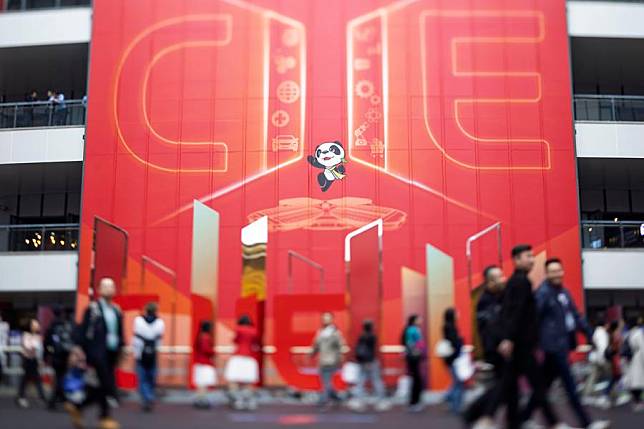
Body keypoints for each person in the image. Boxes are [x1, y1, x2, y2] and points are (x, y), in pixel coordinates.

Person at [522, 258, 609, 429]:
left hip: (561, 345)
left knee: (542, 386)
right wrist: (533, 342)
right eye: (552, 271)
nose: (556, 274)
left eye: (558, 270)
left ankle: (523, 418)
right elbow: (534, 319)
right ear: (547, 274)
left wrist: (590, 335)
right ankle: (587, 423)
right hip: (553, 346)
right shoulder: (543, 293)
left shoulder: (564, 292)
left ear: (562, 271)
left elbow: (576, 316)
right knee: (570, 386)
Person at [496, 244, 561, 429]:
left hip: (519, 344)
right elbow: (514, 312)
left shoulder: (517, 281)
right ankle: (553, 423)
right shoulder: (521, 282)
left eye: (533, 256)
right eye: (528, 256)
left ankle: (514, 422)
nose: (532, 259)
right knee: (538, 385)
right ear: (516, 260)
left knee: (510, 386)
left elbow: (509, 312)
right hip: (521, 344)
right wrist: (508, 337)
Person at [67, 277, 124, 429]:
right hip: (96, 353)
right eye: (104, 286)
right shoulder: (92, 309)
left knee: (98, 388)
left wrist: (121, 350)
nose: (108, 289)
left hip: (111, 353)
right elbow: (82, 330)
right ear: (99, 290)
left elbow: (120, 333)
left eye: (111, 286)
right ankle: (105, 417)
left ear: (114, 290)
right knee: (107, 384)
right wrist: (77, 350)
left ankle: (77, 407)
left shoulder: (117, 310)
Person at [463, 265, 506, 427]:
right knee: (503, 385)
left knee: (503, 386)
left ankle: (475, 413)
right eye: (499, 277)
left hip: (501, 348)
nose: (503, 279)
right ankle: (476, 414)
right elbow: (491, 327)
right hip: (495, 350)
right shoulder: (484, 301)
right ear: (489, 282)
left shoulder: (499, 297)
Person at [350, 319, 389, 411]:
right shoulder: (372, 337)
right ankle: (381, 400)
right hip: (371, 361)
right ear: (371, 327)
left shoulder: (361, 336)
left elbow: (359, 350)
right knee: (376, 381)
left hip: (362, 362)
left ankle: (359, 401)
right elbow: (371, 351)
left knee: (360, 381)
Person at [132, 302, 164, 412]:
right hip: (153, 352)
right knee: (151, 377)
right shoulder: (160, 322)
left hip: (140, 352)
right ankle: (149, 395)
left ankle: (146, 397)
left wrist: (136, 352)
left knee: (142, 378)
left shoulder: (138, 321)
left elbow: (136, 337)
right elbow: (159, 339)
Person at [225, 314, 260, 410]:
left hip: (238, 357)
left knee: (233, 380)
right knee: (248, 381)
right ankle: (248, 401)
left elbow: (235, 340)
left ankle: (237, 400)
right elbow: (256, 343)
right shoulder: (254, 331)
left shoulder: (238, 329)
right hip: (249, 358)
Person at [311, 312, 345, 409]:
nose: (325, 320)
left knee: (326, 382)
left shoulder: (335, 332)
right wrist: (312, 354)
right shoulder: (321, 332)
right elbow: (316, 345)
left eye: (328, 318)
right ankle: (336, 397)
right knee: (326, 381)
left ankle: (323, 401)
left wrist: (340, 358)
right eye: (324, 318)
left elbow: (340, 346)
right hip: (322, 360)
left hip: (332, 360)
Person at [44, 307, 74, 410]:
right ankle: (59, 400)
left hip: (55, 356)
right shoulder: (67, 325)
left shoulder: (52, 326)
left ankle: (57, 399)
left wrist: (47, 355)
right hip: (65, 356)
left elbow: (47, 343)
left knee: (59, 378)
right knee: (62, 378)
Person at [16, 318, 46, 408]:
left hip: (34, 360)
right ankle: (22, 397)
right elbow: (28, 347)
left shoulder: (38, 336)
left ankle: (22, 396)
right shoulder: (26, 335)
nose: (36, 326)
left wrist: (40, 360)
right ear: (30, 326)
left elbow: (39, 349)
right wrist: (34, 345)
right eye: (34, 325)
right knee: (28, 379)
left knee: (32, 379)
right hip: (28, 360)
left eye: (37, 325)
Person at [583, 318, 611, 403]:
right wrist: (603, 360)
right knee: (612, 375)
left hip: (594, 358)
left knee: (593, 376)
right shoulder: (602, 333)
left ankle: (587, 395)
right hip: (600, 358)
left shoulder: (596, 332)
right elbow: (602, 348)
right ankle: (608, 394)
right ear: (605, 324)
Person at [442, 308, 464, 414]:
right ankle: (455, 406)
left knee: (456, 382)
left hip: (450, 358)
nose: (458, 314)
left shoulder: (447, 326)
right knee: (458, 383)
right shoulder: (451, 327)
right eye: (456, 313)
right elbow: (455, 342)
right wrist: (460, 340)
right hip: (454, 358)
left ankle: (449, 397)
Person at [401, 314, 424, 412]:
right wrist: (417, 351)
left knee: (415, 379)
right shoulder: (413, 330)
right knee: (417, 379)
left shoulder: (409, 329)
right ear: (414, 320)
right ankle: (414, 402)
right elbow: (413, 343)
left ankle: (414, 402)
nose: (421, 320)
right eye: (419, 318)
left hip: (411, 357)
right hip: (414, 357)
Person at [193, 320, 216, 409]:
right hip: (205, 362)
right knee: (204, 382)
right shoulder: (206, 337)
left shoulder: (199, 336)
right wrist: (213, 351)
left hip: (199, 362)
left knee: (200, 382)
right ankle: (202, 400)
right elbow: (207, 350)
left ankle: (199, 399)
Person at [625, 316, 644, 412]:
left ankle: (635, 401)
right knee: (638, 381)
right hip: (637, 358)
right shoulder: (638, 333)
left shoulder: (629, 333)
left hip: (631, 358)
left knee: (634, 381)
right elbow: (642, 347)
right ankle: (638, 402)